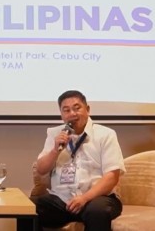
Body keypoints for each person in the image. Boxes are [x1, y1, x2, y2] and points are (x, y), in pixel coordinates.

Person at [33, 90, 125, 231]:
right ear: (62, 115)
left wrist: (84, 198)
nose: (72, 114)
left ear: (87, 109)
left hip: (96, 198)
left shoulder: (106, 134)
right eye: (66, 110)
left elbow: (112, 177)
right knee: (29, 208)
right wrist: (54, 151)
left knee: (97, 211)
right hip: (62, 200)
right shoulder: (54, 134)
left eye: (77, 108)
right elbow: (41, 169)